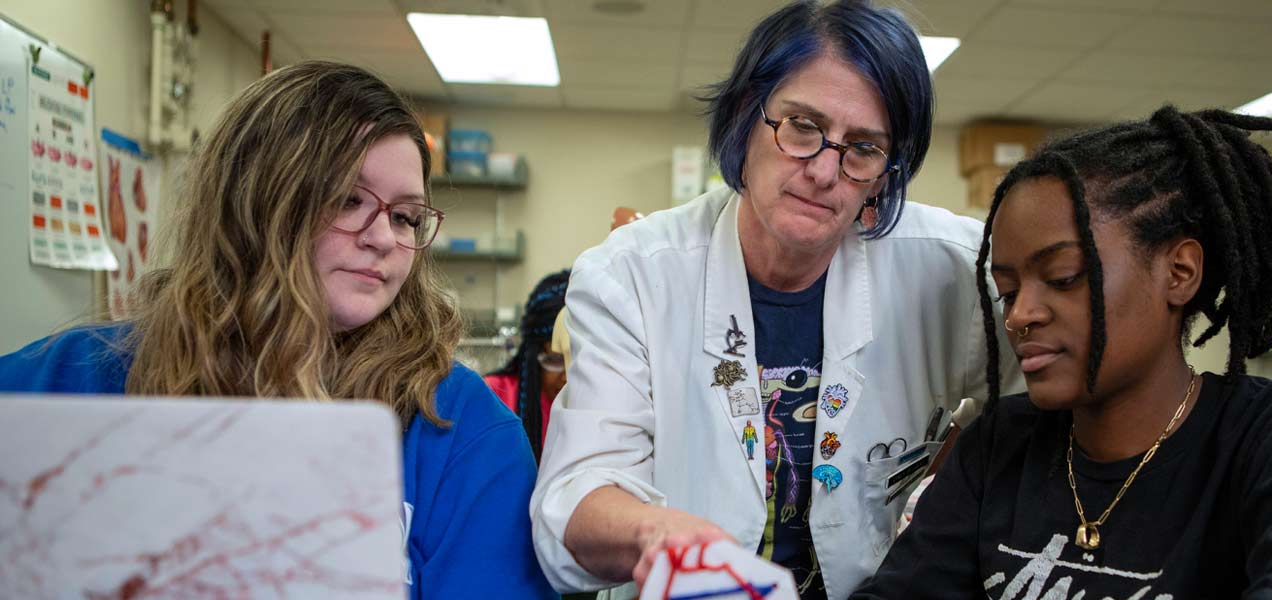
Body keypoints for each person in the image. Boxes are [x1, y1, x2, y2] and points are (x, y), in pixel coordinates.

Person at [0, 61, 557, 600]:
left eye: (406, 216)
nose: (385, 238)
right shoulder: (62, 383)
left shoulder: (461, 429)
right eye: (347, 199)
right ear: (257, 202)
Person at [530, 2, 1020, 599]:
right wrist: (662, 537)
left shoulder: (954, 267)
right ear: (745, 115)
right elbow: (579, 490)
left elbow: (1051, 405)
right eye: (802, 128)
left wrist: (963, 463)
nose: (823, 171)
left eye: (862, 148)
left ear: (886, 173)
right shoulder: (632, 274)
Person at [854, 106, 1272, 599]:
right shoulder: (999, 445)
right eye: (1010, 290)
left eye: (1063, 278)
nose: (1019, 316)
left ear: (1178, 273)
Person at [486, 269, 570, 459]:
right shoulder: (494, 396)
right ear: (532, 354)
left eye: (576, 360)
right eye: (555, 360)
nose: (566, 376)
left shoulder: (600, 403)